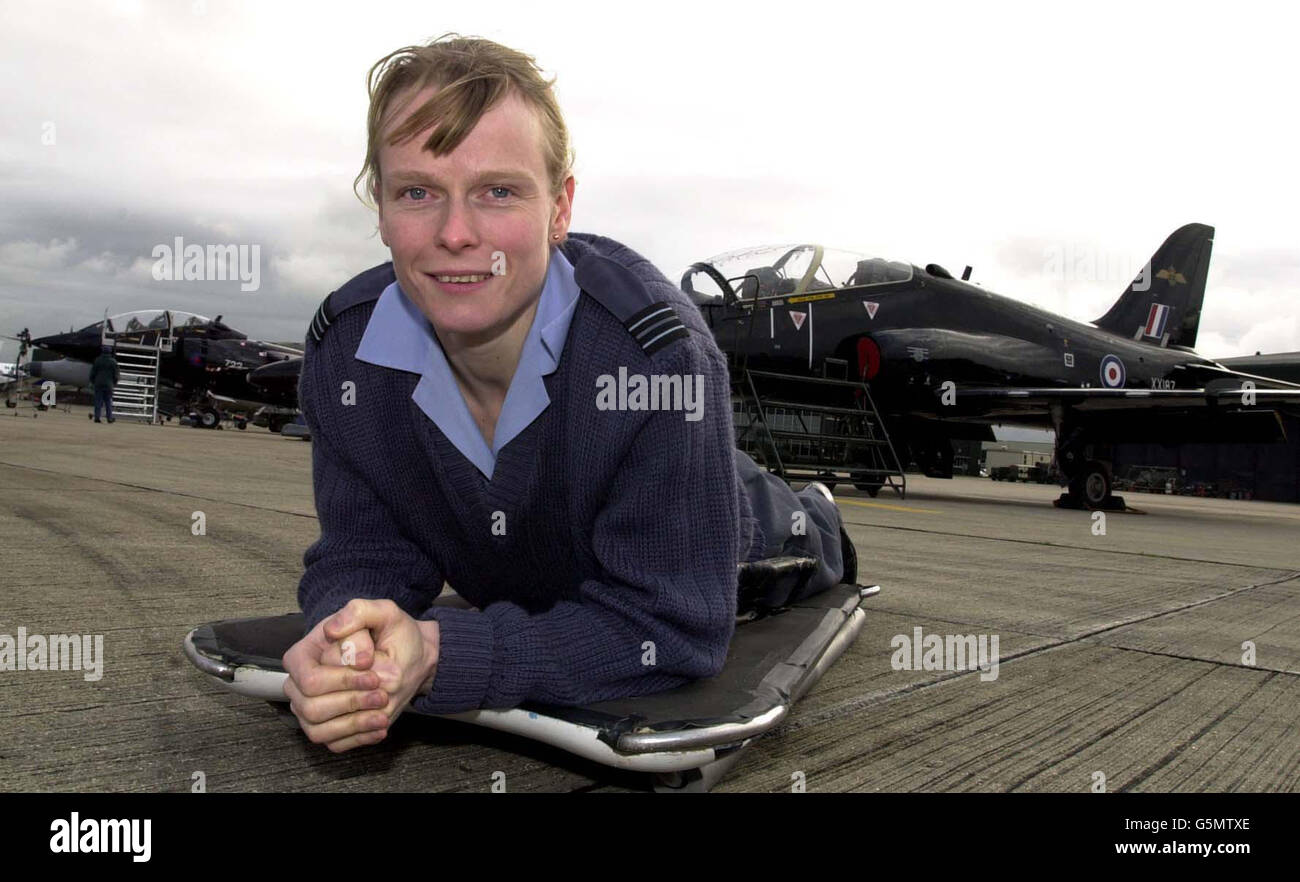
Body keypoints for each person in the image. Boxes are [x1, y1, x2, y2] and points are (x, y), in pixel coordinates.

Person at [282, 34, 851, 754]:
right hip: (532, 559)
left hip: (728, 524)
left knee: (798, 538)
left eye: (498, 192)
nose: (457, 235)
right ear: (381, 209)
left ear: (560, 209)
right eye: (418, 192)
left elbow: (671, 627)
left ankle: (820, 513)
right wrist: (349, 639)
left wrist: (436, 653)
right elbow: (366, 550)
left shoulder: (656, 359)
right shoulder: (344, 355)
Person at [89, 344, 118, 423]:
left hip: (98, 384)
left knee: (98, 401)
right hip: (108, 384)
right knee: (108, 402)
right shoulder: (113, 362)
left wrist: (92, 381)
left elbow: (92, 373)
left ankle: (97, 418)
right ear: (110, 352)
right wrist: (114, 383)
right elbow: (116, 374)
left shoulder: (97, 360)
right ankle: (109, 418)